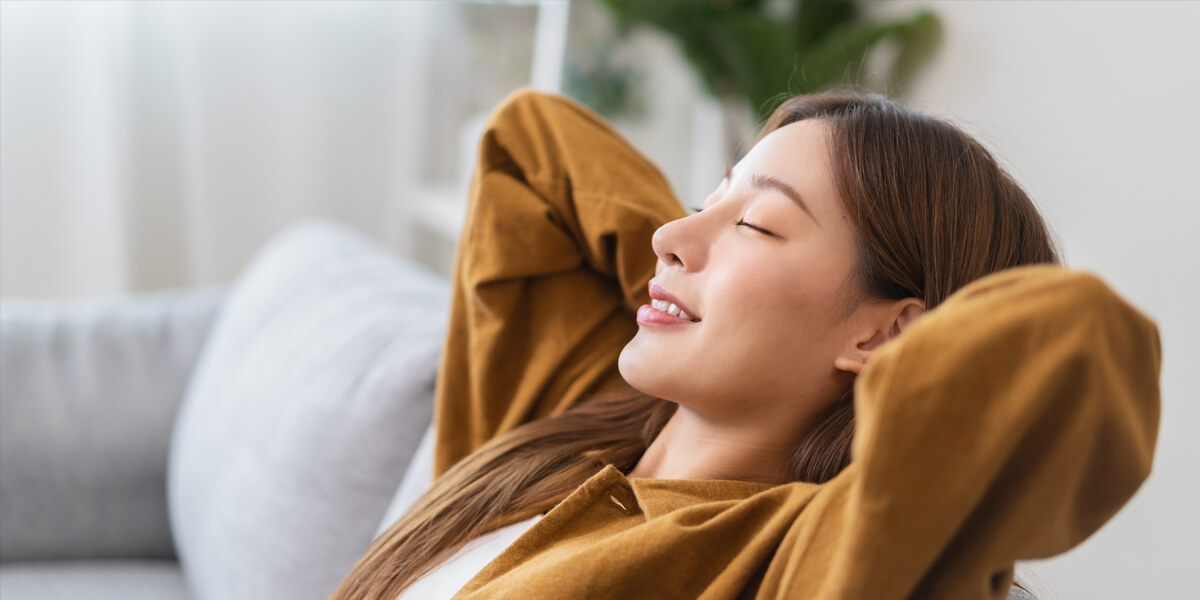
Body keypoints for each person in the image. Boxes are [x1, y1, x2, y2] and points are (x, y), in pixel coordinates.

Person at [330, 89, 1161, 599]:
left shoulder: (802, 554)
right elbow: (531, 145)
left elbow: (1074, 341)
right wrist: (697, 281)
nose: (668, 231)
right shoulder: (577, 411)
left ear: (888, 331)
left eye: (758, 224)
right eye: (703, 199)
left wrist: (715, 298)